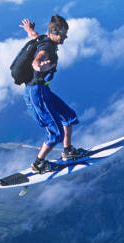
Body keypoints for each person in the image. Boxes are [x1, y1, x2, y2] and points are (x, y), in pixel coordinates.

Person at [20, 15, 87, 173]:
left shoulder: (44, 39)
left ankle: (68, 151)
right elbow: (37, 60)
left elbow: (34, 37)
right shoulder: (47, 48)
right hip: (35, 93)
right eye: (63, 34)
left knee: (68, 116)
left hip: (43, 90)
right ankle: (39, 164)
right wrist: (39, 66)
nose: (65, 37)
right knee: (55, 132)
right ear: (54, 32)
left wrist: (29, 29)